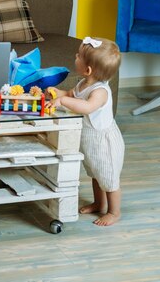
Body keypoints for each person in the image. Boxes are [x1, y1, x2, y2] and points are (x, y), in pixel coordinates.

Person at [46, 37, 124, 226]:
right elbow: (72, 95)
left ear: (88, 69)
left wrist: (63, 102)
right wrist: (57, 93)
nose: (75, 56)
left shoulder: (100, 92)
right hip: (90, 142)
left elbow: (87, 106)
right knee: (95, 173)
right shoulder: (83, 83)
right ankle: (99, 203)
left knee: (108, 177)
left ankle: (114, 212)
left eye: (79, 56)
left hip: (104, 142)